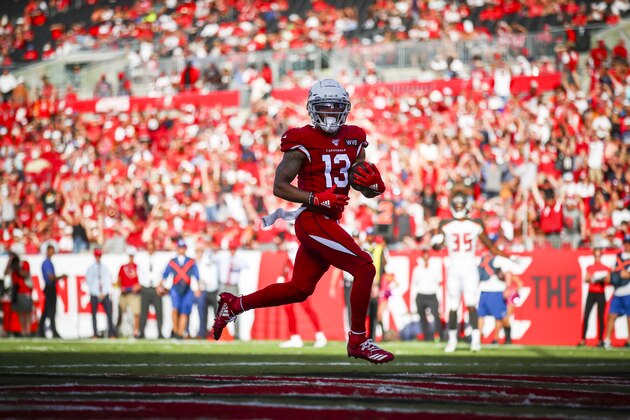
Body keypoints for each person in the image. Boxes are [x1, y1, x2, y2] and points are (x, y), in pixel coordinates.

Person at [212, 79, 394, 364]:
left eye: (337, 109)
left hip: (328, 220)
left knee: (299, 289)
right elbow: (279, 186)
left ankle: (235, 305)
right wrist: (316, 198)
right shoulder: (302, 140)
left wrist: (375, 185)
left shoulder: (355, 137)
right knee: (365, 268)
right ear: (313, 109)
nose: (331, 114)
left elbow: (362, 182)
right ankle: (358, 339)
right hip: (312, 219)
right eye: (325, 108)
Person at [436, 193, 510, 353]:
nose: (459, 209)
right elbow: (491, 247)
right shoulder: (473, 224)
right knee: (459, 306)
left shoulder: (446, 225)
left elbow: (437, 246)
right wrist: (508, 256)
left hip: (462, 268)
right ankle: (458, 339)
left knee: (465, 305)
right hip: (463, 269)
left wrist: (435, 242)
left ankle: (468, 340)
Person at [276, 232, 327, 348]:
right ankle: (295, 337)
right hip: (292, 279)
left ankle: (320, 335)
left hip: (300, 279)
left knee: (306, 307)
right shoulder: (291, 242)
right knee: (288, 308)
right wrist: (282, 275)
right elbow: (289, 261)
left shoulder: (297, 240)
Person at [477, 252, 521, 346]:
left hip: (499, 292)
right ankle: (479, 337)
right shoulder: (484, 258)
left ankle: (501, 338)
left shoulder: (500, 260)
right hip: (485, 290)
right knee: (481, 315)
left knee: (502, 317)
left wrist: (509, 290)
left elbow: (517, 281)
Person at [161, 239, 200, 339]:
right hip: (175, 288)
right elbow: (165, 274)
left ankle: (179, 333)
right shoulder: (172, 261)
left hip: (187, 289)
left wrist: (197, 288)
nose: (181, 249)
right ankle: (175, 329)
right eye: (180, 247)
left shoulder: (191, 262)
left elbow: (196, 275)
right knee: (175, 309)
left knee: (184, 311)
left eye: (183, 247)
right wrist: (161, 285)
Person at [213, 242, 249, 340]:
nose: (232, 251)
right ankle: (218, 333)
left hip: (233, 286)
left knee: (236, 310)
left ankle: (237, 334)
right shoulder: (223, 258)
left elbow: (246, 265)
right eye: (231, 249)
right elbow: (212, 257)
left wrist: (235, 263)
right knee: (220, 309)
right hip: (224, 286)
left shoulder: (238, 260)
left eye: (234, 249)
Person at [578, 247, 611, 347]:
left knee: (600, 317)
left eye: (599, 255)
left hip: (601, 293)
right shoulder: (590, 267)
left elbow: (608, 280)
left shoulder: (605, 268)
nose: (597, 257)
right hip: (591, 293)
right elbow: (587, 279)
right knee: (587, 315)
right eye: (595, 255)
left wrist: (597, 279)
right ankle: (583, 339)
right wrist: (595, 278)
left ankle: (600, 340)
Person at [411, 247, 443, 342]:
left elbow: (439, 281)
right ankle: (427, 336)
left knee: (436, 315)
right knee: (422, 317)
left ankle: (439, 335)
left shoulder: (434, 269)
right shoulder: (417, 269)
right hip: (421, 295)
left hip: (432, 294)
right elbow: (414, 283)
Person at [603, 236, 630, 348]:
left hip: (628, 291)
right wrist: (610, 276)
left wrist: (627, 275)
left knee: (629, 317)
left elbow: (625, 274)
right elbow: (612, 271)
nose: (627, 245)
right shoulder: (618, 257)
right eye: (626, 243)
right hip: (618, 291)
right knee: (611, 315)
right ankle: (607, 340)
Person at [85, 248, 116, 338]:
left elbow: (107, 281)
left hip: (104, 294)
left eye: (99, 255)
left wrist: (104, 293)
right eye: (97, 255)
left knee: (109, 313)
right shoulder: (90, 269)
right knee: (94, 314)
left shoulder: (105, 268)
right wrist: (97, 293)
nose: (98, 257)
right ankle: (95, 333)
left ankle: (111, 333)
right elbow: (89, 283)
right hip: (95, 294)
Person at [136, 241, 165, 339]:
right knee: (143, 312)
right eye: (149, 247)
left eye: (152, 247)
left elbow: (162, 273)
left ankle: (160, 333)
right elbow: (140, 273)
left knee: (159, 312)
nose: (150, 249)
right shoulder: (142, 259)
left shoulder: (159, 259)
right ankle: (142, 332)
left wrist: (160, 285)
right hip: (145, 288)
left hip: (156, 288)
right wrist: (142, 285)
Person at [365, 232, 389, 340]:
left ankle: (372, 336)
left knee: (375, 311)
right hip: (365, 283)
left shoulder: (379, 250)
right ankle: (363, 335)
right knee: (366, 312)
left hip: (375, 284)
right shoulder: (362, 247)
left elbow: (384, 263)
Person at [38, 245, 66, 338]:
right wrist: (61, 277)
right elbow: (51, 277)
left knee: (47, 311)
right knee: (51, 310)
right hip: (50, 288)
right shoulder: (46, 263)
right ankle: (52, 331)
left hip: (51, 287)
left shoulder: (49, 262)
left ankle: (42, 331)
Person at [4, 252, 33, 337]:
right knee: (20, 313)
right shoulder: (12, 265)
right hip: (16, 292)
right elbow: (5, 273)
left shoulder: (24, 263)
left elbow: (26, 274)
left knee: (27, 312)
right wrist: (9, 263)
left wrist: (18, 268)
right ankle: (23, 331)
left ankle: (28, 331)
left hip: (25, 291)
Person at [116, 247, 141, 338]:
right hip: (124, 293)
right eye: (130, 255)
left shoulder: (138, 267)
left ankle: (135, 331)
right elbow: (119, 279)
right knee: (120, 311)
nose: (131, 257)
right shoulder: (123, 267)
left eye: (132, 255)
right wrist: (120, 287)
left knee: (136, 312)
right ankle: (117, 330)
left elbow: (142, 280)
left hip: (133, 294)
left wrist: (138, 286)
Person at [196, 243, 219, 340]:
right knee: (202, 314)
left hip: (214, 290)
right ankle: (202, 333)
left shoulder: (215, 260)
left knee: (217, 315)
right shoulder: (199, 262)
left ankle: (218, 333)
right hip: (204, 290)